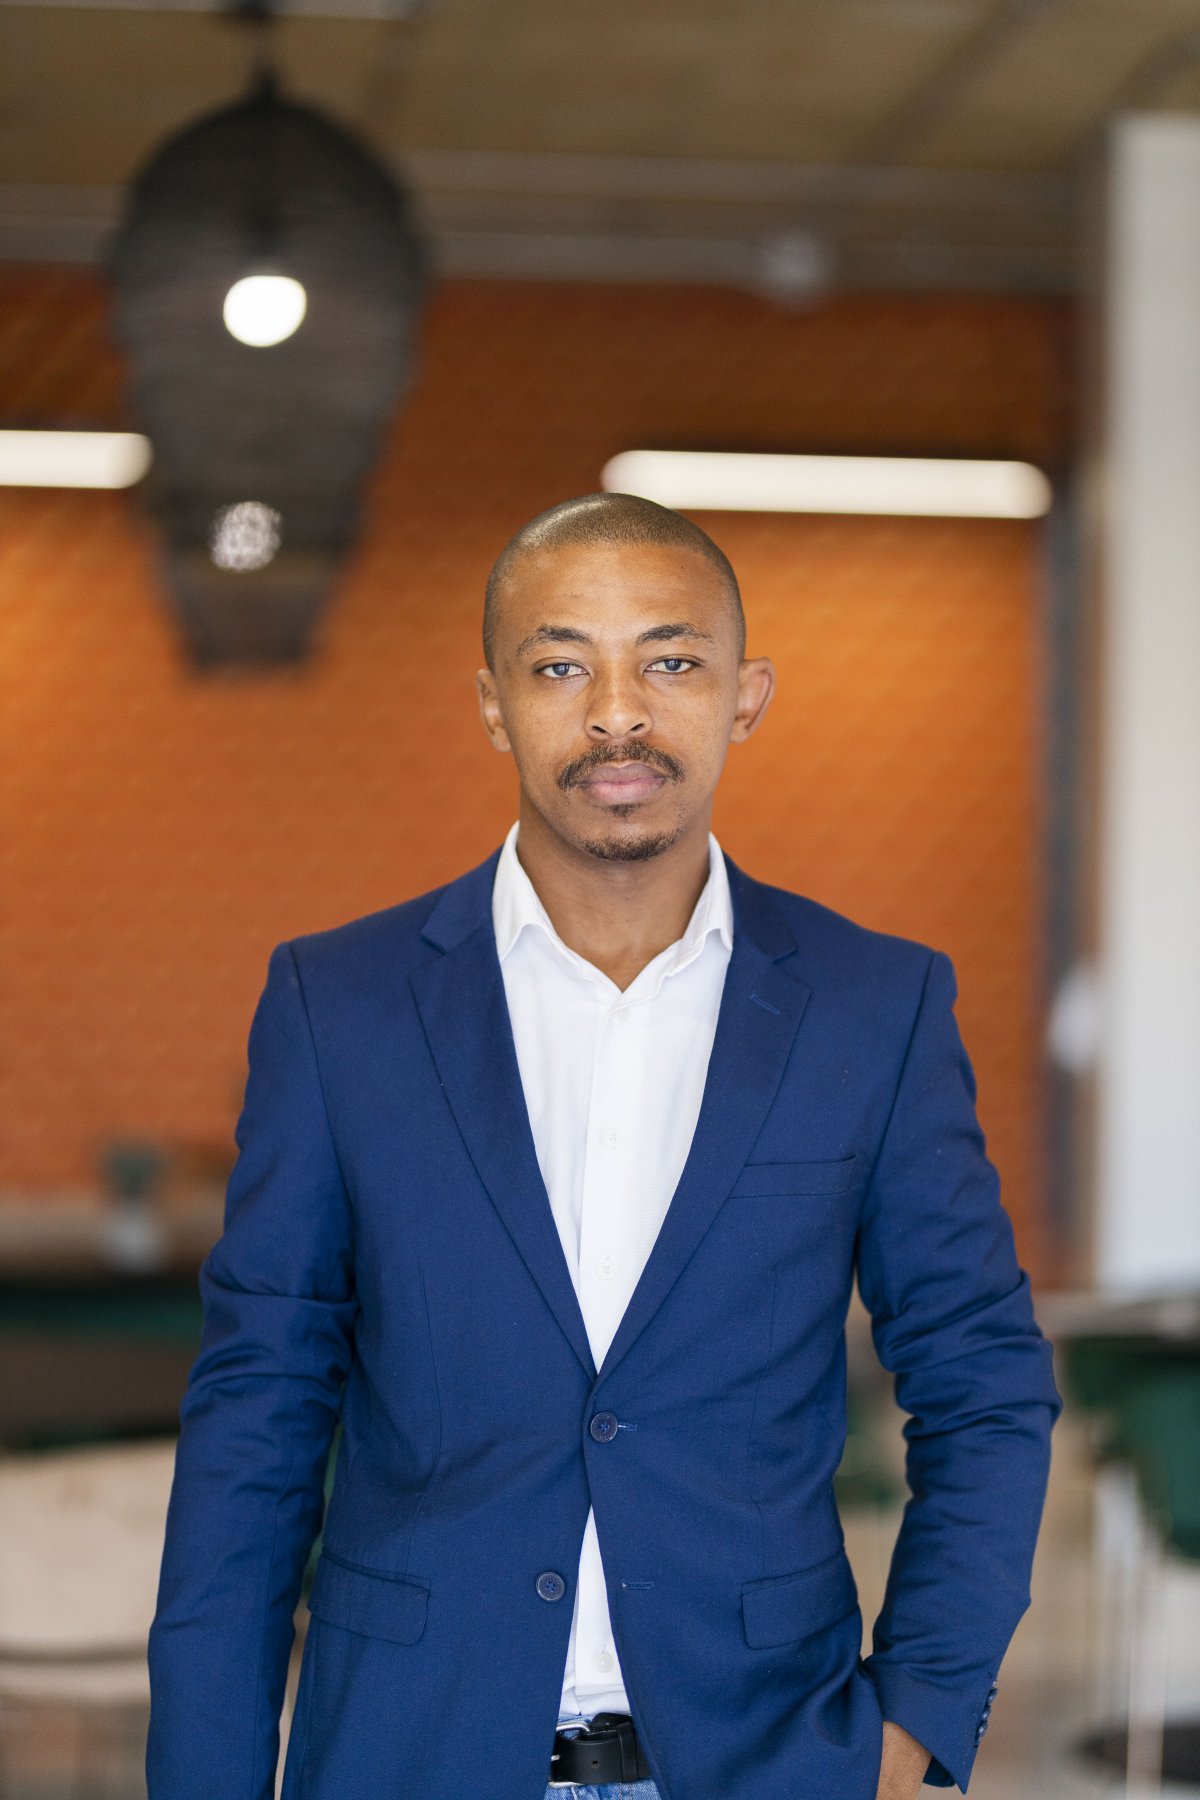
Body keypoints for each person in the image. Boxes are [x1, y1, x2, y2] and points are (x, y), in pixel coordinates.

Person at [145, 492, 1064, 1800]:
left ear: (746, 696)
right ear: (492, 702)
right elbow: (257, 1423)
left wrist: (917, 1723)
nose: (617, 713)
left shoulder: (877, 1006)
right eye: (562, 664)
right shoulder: (336, 1007)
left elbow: (982, 1379)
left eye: (671, 662)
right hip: (410, 1756)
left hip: (768, 1760)